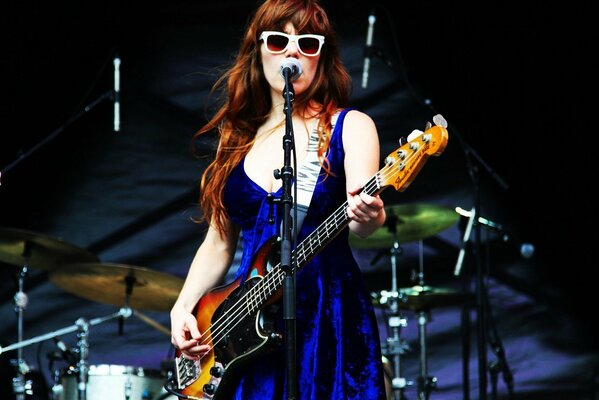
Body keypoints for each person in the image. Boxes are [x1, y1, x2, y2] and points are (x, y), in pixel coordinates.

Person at [170, 0, 387, 398]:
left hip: (328, 314)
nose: (292, 51)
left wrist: (368, 213)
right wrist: (183, 307)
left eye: (307, 43)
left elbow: (363, 222)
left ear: (322, 58)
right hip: (247, 326)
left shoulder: (350, 127)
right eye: (277, 40)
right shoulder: (235, 143)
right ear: (258, 51)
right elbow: (219, 242)